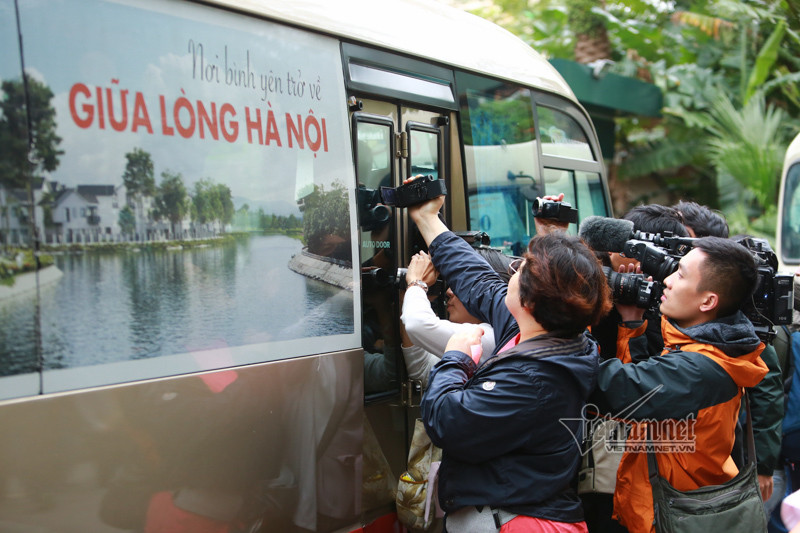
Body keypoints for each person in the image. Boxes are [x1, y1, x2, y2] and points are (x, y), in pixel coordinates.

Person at [408, 191, 612, 532]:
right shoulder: (542, 330)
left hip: (519, 523)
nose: (512, 271)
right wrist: (427, 218)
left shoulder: (534, 378)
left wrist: (456, 357)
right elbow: (476, 278)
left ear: (530, 300)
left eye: (521, 268)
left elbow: (446, 421)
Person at [591, 236, 768, 533]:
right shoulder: (707, 346)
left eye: (681, 275)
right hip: (666, 509)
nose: (668, 281)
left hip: (674, 518)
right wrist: (633, 324)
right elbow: (649, 391)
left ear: (708, 301)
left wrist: (572, 315)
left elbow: (616, 389)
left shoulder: (701, 369)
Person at [400, 247, 513, 388]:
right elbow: (422, 369)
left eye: (463, 283)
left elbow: (417, 324)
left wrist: (416, 283)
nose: (449, 291)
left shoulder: (493, 335)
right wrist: (414, 295)